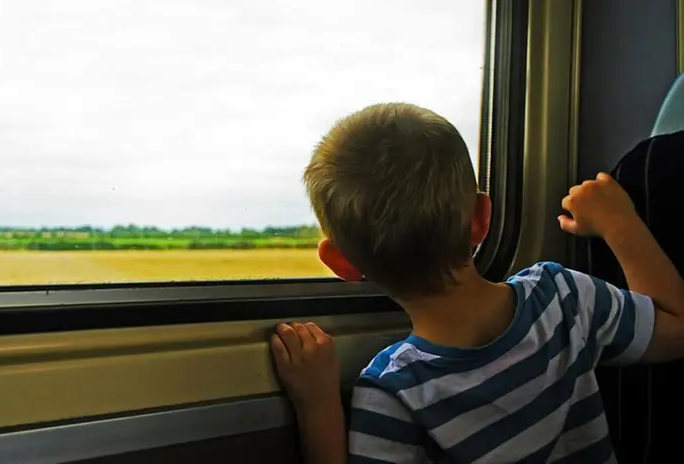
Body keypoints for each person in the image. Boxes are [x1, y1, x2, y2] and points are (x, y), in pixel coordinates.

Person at [270, 102, 684, 463]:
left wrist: (317, 403)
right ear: (482, 218)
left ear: (340, 262)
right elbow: (677, 329)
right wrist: (619, 221)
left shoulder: (394, 391)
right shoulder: (563, 297)